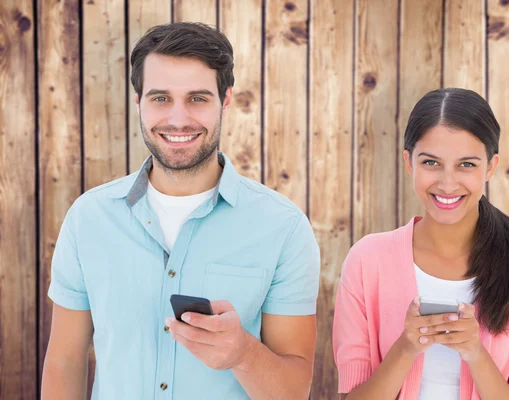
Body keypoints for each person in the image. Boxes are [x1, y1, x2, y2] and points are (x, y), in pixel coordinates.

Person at [41, 22, 320, 400]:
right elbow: (64, 360)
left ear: (225, 100)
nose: (177, 119)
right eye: (160, 98)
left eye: (197, 98)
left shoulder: (284, 228)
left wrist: (243, 354)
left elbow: (294, 391)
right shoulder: (88, 219)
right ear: (138, 100)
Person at [333, 88, 509, 400]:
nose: (448, 183)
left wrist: (475, 353)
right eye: (431, 163)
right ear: (409, 163)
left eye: (466, 164)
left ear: (491, 167)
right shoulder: (366, 260)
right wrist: (407, 346)